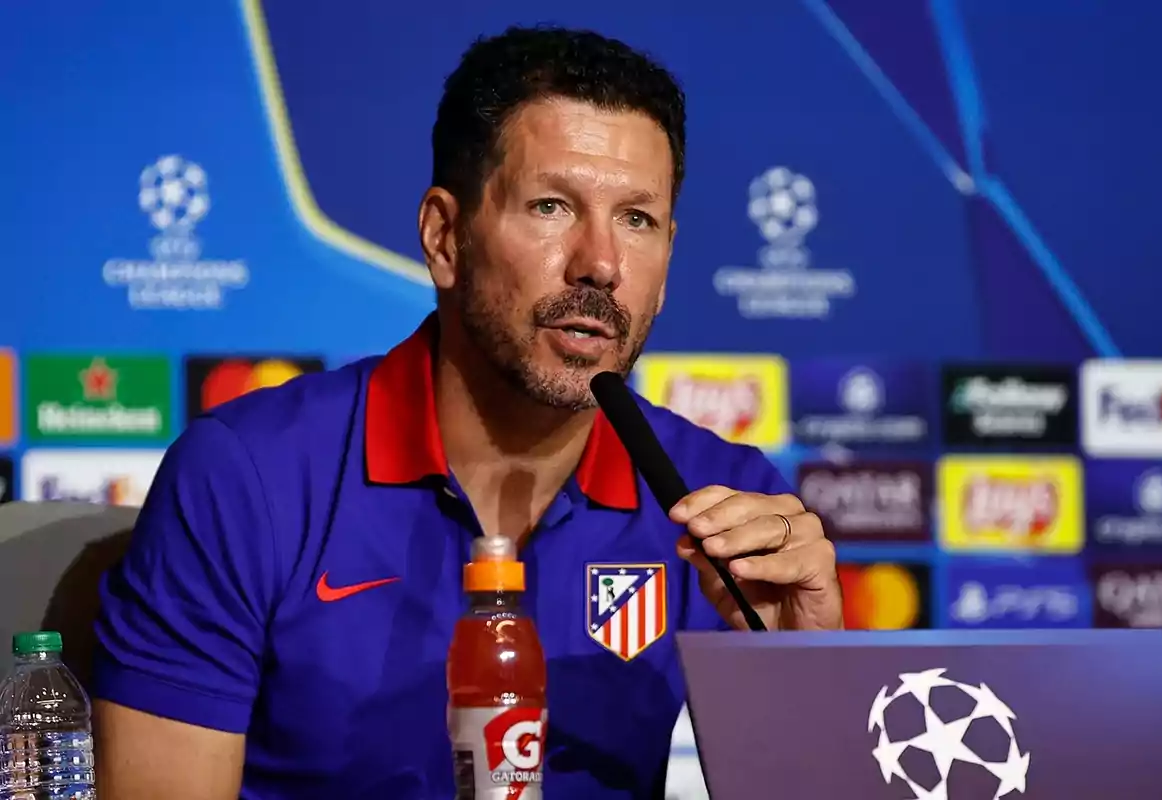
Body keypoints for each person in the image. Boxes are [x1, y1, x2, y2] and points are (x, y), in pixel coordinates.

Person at [91, 24, 843, 799]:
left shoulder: (718, 498)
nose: (602, 264)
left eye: (637, 219)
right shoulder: (249, 479)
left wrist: (799, 668)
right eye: (553, 206)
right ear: (444, 238)